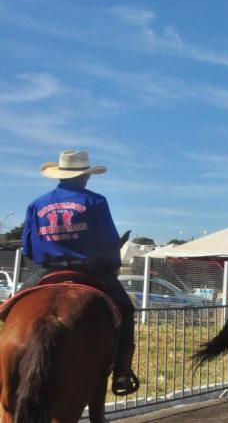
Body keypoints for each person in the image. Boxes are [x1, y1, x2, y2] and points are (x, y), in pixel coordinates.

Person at [22, 150, 139, 396]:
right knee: (126, 311)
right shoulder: (96, 202)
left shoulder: (37, 204)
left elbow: (28, 248)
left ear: (60, 175)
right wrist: (109, 261)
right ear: (85, 177)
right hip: (90, 270)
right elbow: (108, 241)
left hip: (48, 269)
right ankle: (121, 372)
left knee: (9, 310)